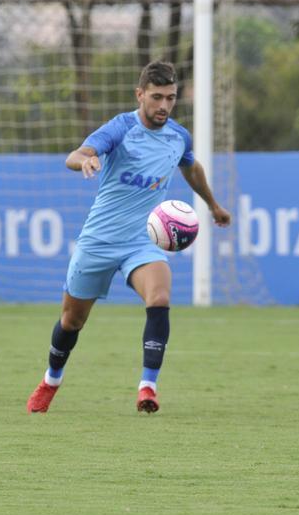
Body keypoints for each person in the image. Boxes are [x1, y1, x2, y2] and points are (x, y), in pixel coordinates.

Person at [26, 61, 232, 414]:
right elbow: (76, 155)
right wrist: (85, 162)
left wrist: (212, 204)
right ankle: (51, 380)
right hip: (99, 240)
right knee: (71, 320)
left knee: (160, 296)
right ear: (140, 95)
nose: (163, 106)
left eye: (170, 98)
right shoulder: (121, 128)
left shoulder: (178, 136)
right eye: (156, 97)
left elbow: (191, 166)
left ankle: (147, 387)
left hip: (143, 241)